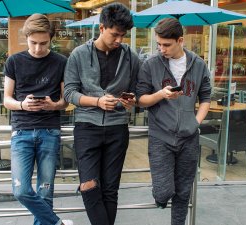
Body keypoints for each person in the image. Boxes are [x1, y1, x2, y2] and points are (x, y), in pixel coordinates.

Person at [64, 3, 140, 225]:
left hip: (117, 128)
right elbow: (69, 93)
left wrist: (130, 100)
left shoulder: (130, 57)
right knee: (88, 185)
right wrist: (97, 101)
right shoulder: (78, 55)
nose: (119, 40)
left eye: (123, 35)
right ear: (101, 27)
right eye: (115, 34)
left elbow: (136, 90)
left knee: (110, 189)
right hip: (87, 127)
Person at [136, 18, 211, 225]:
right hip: (161, 136)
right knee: (163, 191)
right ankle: (160, 198)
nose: (161, 49)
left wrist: (195, 122)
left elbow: (205, 97)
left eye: (166, 45)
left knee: (184, 191)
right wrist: (161, 94)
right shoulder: (150, 64)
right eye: (158, 44)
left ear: (180, 40)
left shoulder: (198, 64)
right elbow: (141, 100)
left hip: (189, 138)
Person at [3, 13, 73, 225]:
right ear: (27, 38)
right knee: (21, 190)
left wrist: (55, 105)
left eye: (44, 43)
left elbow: (66, 100)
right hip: (22, 131)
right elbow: (7, 100)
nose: (38, 48)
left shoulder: (61, 62)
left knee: (45, 193)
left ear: (51, 38)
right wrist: (23, 104)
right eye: (33, 43)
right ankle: (58, 224)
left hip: (50, 130)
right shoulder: (14, 61)